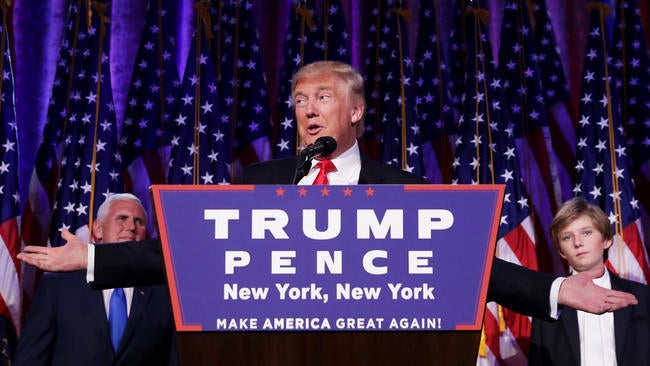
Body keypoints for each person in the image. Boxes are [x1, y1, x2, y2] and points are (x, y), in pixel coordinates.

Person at [18, 61, 636, 321]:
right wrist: (93, 257)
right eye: (299, 101)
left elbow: (472, 267)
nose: (309, 111)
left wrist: (556, 289)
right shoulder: (263, 182)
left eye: (323, 98)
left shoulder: (400, 186)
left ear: (357, 111)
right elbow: (182, 253)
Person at [14, 193, 179, 366]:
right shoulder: (57, 287)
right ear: (98, 229)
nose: (131, 226)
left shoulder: (165, 292)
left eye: (140, 222)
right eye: (122, 218)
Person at [529, 197, 650, 366]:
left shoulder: (642, 298)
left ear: (606, 240)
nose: (578, 243)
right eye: (566, 237)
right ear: (561, 252)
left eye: (586, 232)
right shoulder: (548, 305)